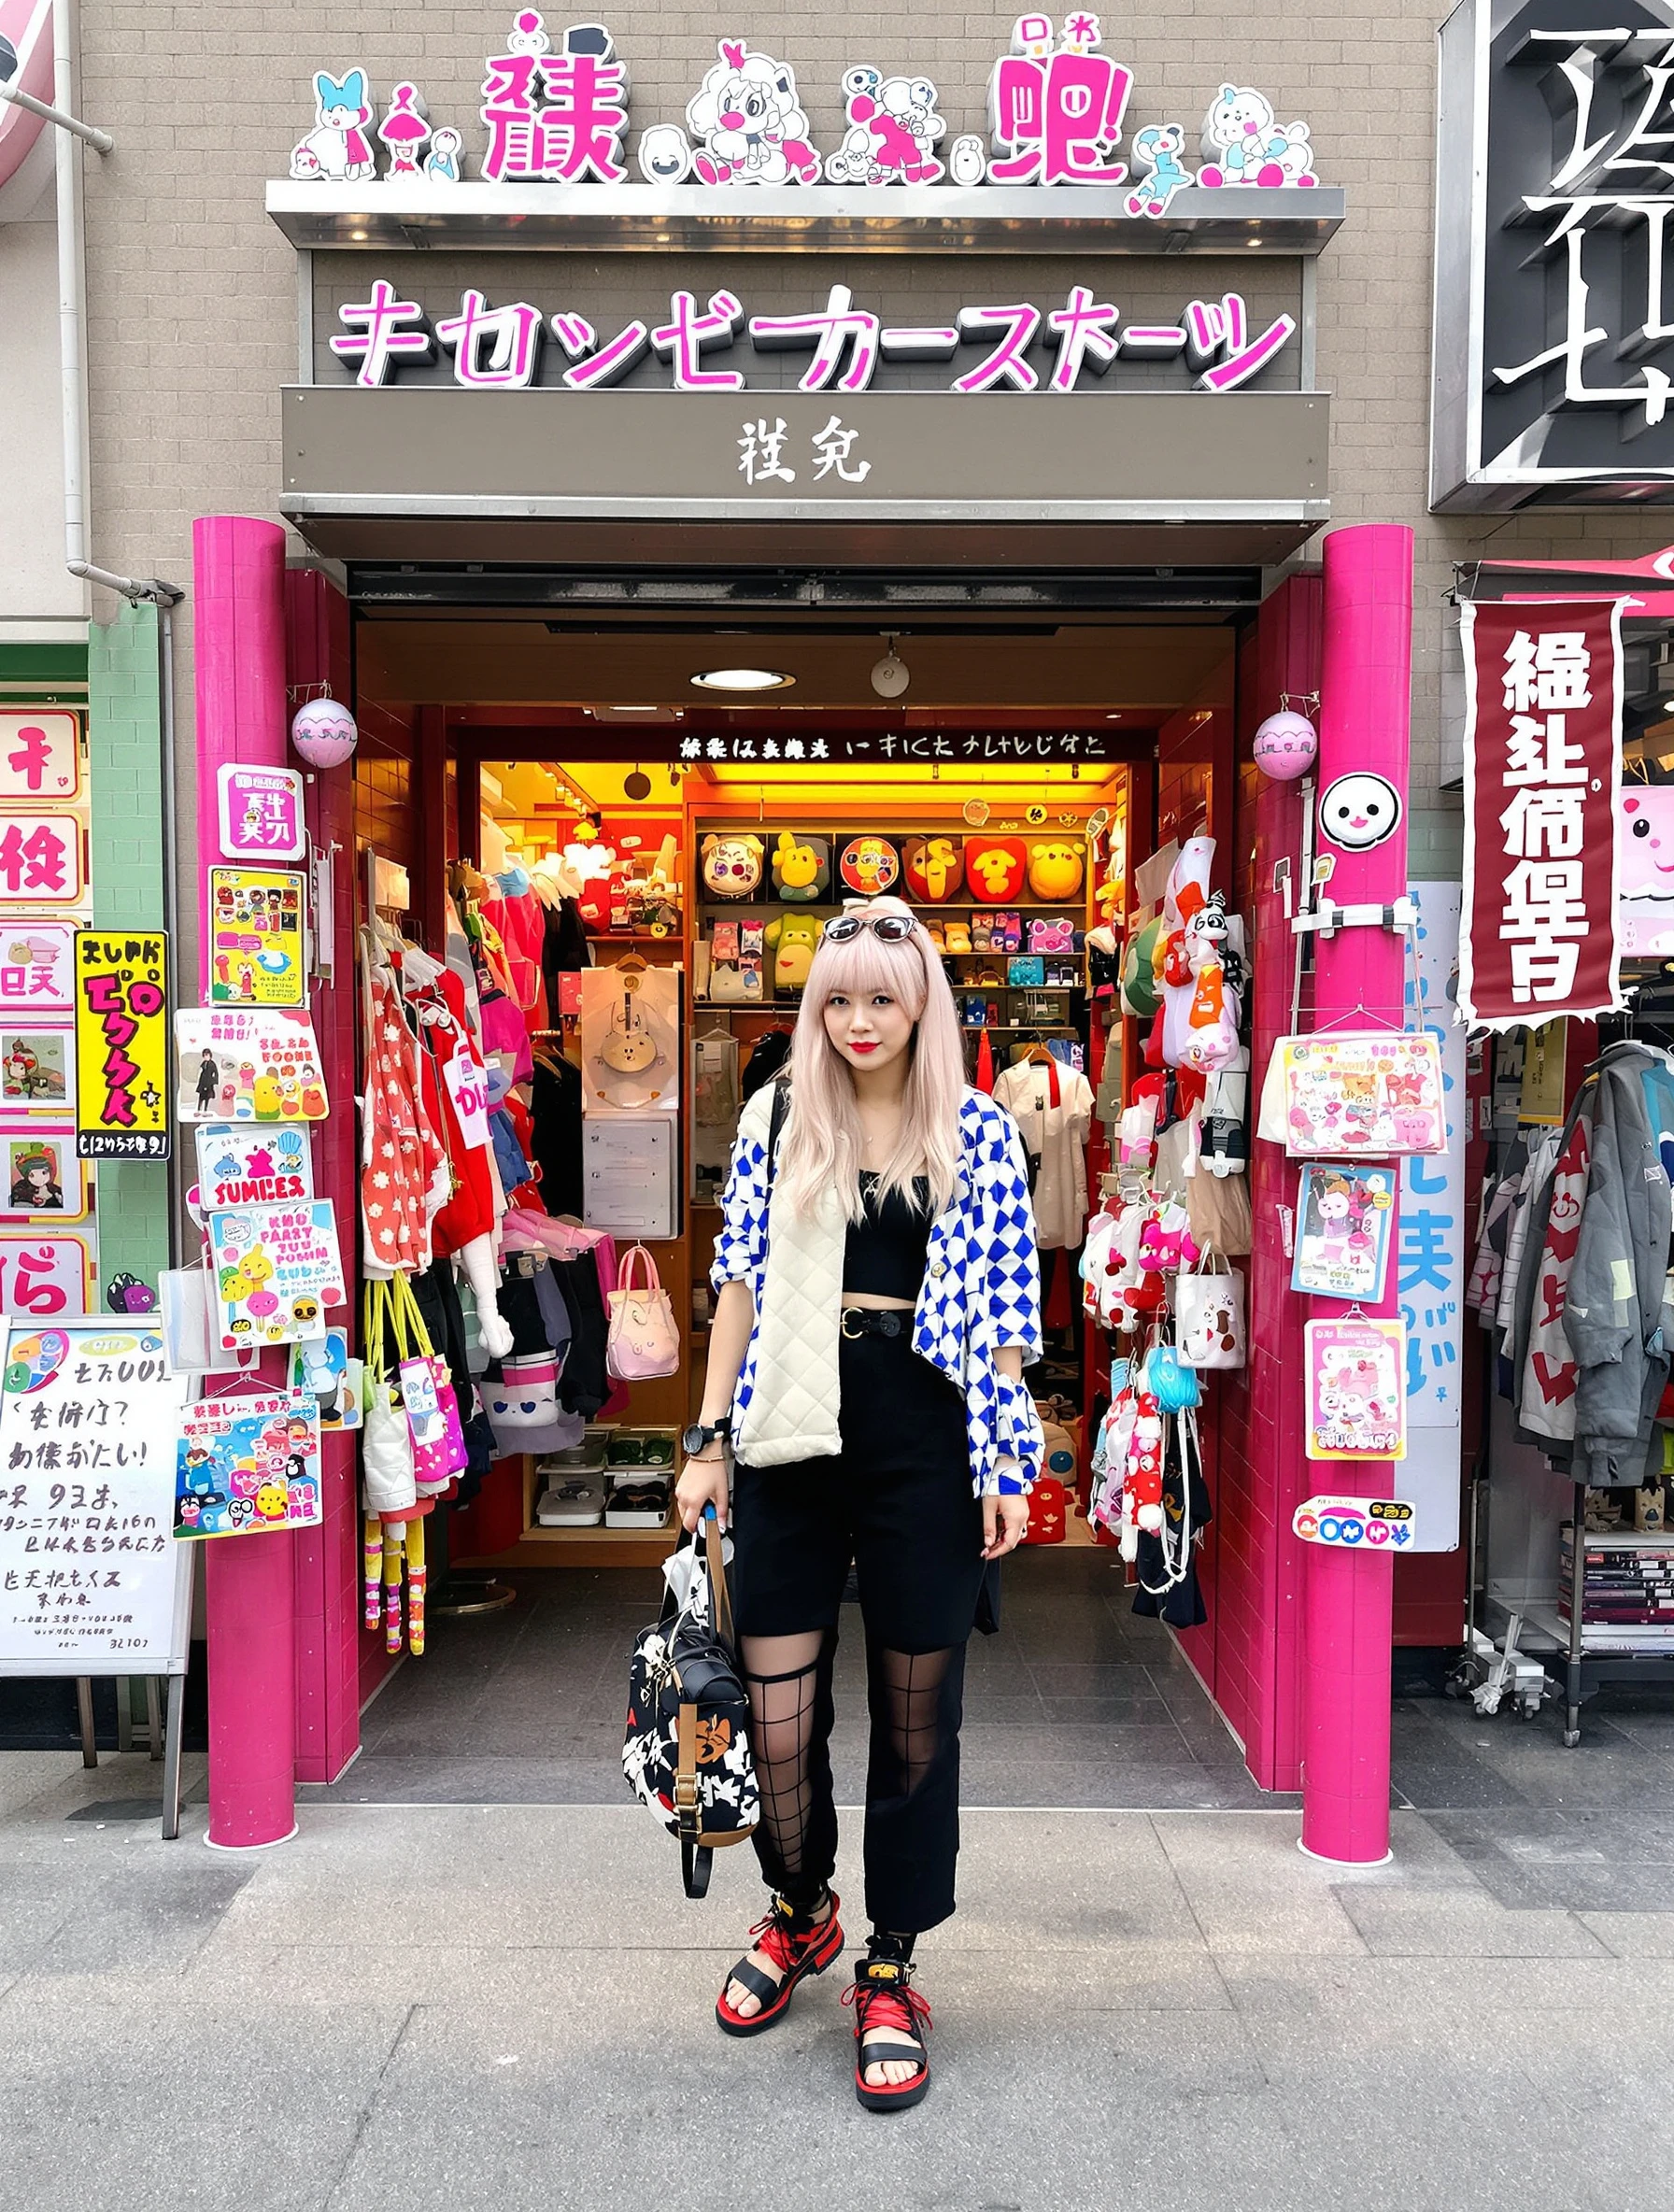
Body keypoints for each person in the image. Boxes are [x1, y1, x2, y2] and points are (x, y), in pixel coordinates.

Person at [675, 896, 1043, 2114]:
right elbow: (733, 1278)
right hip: (786, 1428)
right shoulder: (781, 1116)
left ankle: (892, 1959)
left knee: (912, 1715)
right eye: (838, 997)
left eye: (883, 996)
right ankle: (800, 1909)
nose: (859, 1018)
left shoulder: (977, 1133)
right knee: (776, 1717)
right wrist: (708, 1437)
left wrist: (1005, 1462)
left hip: (924, 1431)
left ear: (924, 1003)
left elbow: (999, 1322)